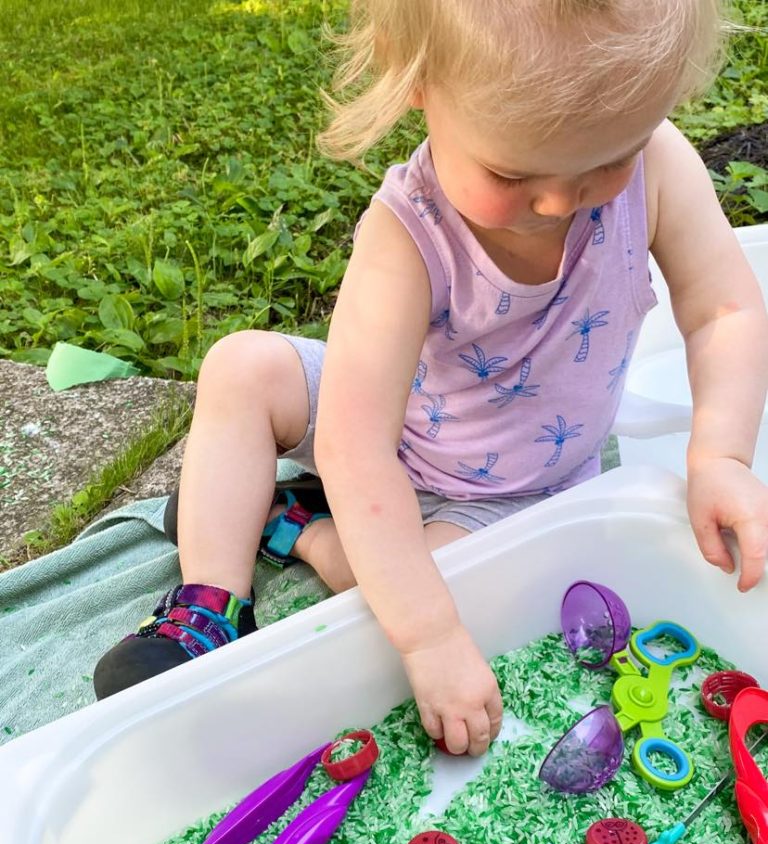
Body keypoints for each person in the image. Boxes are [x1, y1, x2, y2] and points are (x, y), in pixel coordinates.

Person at [94, 0, 768, 757]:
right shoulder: (407, 236)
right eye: (511, 173)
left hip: (517, 489)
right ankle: (209, 608)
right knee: (242, 367)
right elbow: (354, 446)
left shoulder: (660, 167)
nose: (557, 203)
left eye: (607, 163)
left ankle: (301, 530)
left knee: (441, 583)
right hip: (394, 425)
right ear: (417, 82)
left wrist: (719, 458)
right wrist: (428, 639)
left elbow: (723, 311)